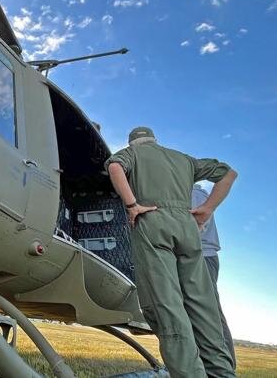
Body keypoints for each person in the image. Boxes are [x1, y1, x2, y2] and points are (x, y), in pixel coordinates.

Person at [106, 127, 237, 378]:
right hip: (187, 229)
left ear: (133, 143)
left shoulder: (132, 154)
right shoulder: (183, 159)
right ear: (155, 140)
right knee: (203, 306)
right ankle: (222, 372)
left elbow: (114, 168)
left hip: (153, 223)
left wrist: (132, 205)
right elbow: (229, 173)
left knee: (167, 307)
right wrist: (208, 209)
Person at [193, 184, 236, 368]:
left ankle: (225, 367)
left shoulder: (193, 193)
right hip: (200, 256)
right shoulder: (195, 192)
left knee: (211, 314)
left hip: (202, 256)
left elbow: (190, 226)